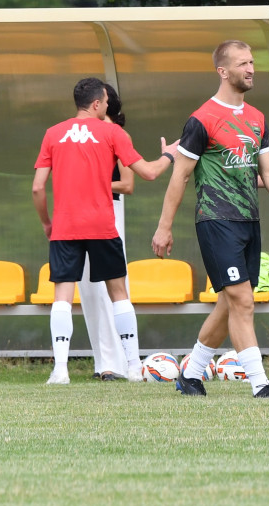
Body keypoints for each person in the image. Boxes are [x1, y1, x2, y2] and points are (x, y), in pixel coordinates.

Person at [152, 40, 269, 399]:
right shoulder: (202, 118)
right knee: (242, 301)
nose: (251, 69)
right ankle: (261, 385)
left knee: (230, 304)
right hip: (215, 220)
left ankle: (190, 375)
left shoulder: (256, 118)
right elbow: (180, 176)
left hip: (248, 222)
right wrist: (164, 226)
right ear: (222, 71)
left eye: (252, 62)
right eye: (242, 63)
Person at [33, 77, 178, 385]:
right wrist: (170, 155)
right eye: (107, 103)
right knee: (119, 294)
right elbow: (149, 174)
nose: (109, 108)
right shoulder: (113, 132)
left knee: (62, 296)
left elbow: (37, 188)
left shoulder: (53, 134)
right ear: (97, 104)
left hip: (65, 226)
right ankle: (133, 367)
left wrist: (47, 222)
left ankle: (60, 371)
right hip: (101, 225)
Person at [77, 84, 136, 381]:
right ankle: (102, 362)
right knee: (87, 288)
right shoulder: (78, 134)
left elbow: (127, 184)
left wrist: (89, 185)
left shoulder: (115, 134)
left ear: (102, 104)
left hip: (109, 210)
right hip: (79, 212)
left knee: (107, 288)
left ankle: (120, 362)